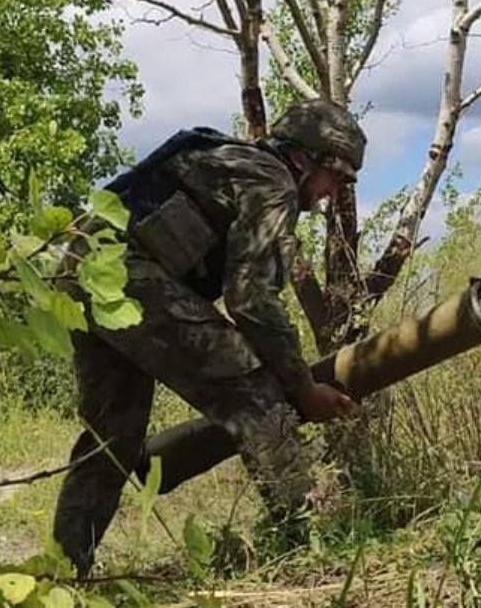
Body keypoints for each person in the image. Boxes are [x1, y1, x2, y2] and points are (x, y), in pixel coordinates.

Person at [52, 99, 368, 576]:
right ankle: (308, 554)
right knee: (259, 393)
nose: (330, 194)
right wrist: (303, 388)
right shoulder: (273, 182)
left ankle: (60, 574)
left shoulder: (232, 158)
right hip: (129, 278)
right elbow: (251, 300)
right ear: (307, 159)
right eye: (335, 179)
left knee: (112, 435)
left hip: (82, 274)